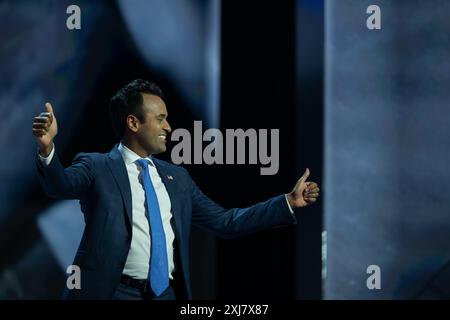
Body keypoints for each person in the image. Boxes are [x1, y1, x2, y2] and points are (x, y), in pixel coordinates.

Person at [32, 79, 320, 300]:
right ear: (133, 122)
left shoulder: (177, 179)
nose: (169, 127)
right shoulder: (96, 166)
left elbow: (226, 222)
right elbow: (60, 185)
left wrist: (287, 202)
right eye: (160, 119)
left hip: (165, 295)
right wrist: (47, 149)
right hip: (113, 292)